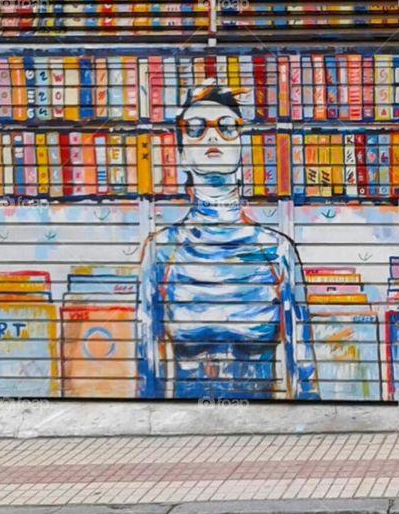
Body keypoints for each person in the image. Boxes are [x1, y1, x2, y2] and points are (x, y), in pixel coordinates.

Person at [135, 81, 319, 400]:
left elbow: (303, 368)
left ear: (241, 146)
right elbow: (146, 369)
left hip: (263, 430)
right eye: (195, 129)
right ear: (180, 153)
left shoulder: (276, 251)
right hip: (185, 432)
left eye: (226, 127)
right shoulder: (161, 251)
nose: (211, 136)